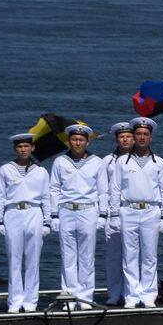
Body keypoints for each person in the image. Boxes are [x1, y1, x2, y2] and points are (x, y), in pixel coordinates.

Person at [107, 116, 163, 308]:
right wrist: (115, 214)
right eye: (138, 134)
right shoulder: (122, 162)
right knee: (130, 256)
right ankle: (132, 296)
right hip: (128, 211)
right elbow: (115, 190)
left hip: (151, 211)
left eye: (145, 134)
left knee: (150, 256)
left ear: (151, 137)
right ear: (134, 136)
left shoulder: (159, 162)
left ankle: (149, 295)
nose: (142, 137)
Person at [0, 132, 52, 313]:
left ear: (32, 148)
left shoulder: (41, 171)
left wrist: (47, 221)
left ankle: (30, 300)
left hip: (34, 212)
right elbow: (0, 196)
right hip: (13, 214)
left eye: (26, 146)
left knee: (33, 259)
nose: (23, 149)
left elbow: (46, 198)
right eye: (19, 146)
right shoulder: (5, 169)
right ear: (15, 149)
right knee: (14, 258)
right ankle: (15, 300)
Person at [48, 123, 104, 309]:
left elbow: (103, 190)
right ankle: (69, 295)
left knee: (87, 256)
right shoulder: (60, 162)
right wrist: (54, 215)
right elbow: (54, 189)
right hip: (66, 211)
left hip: (88, 210)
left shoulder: (97, 162)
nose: (77, 142)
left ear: (87, 142)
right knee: (68, 255)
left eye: (81, 139)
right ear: (69, 141)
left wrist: (102, 214)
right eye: (74, 139)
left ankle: (86, 296)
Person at [101, 121, 135, 306]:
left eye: (128, 136)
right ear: (116, 139)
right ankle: (114, 292)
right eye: (121, 136)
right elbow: (103, 188)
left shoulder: (140, 159)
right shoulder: (107, 161)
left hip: (133, 209)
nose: (125, 139)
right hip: (112, 212)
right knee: (114, 255)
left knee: (134, 254)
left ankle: (132, 292)